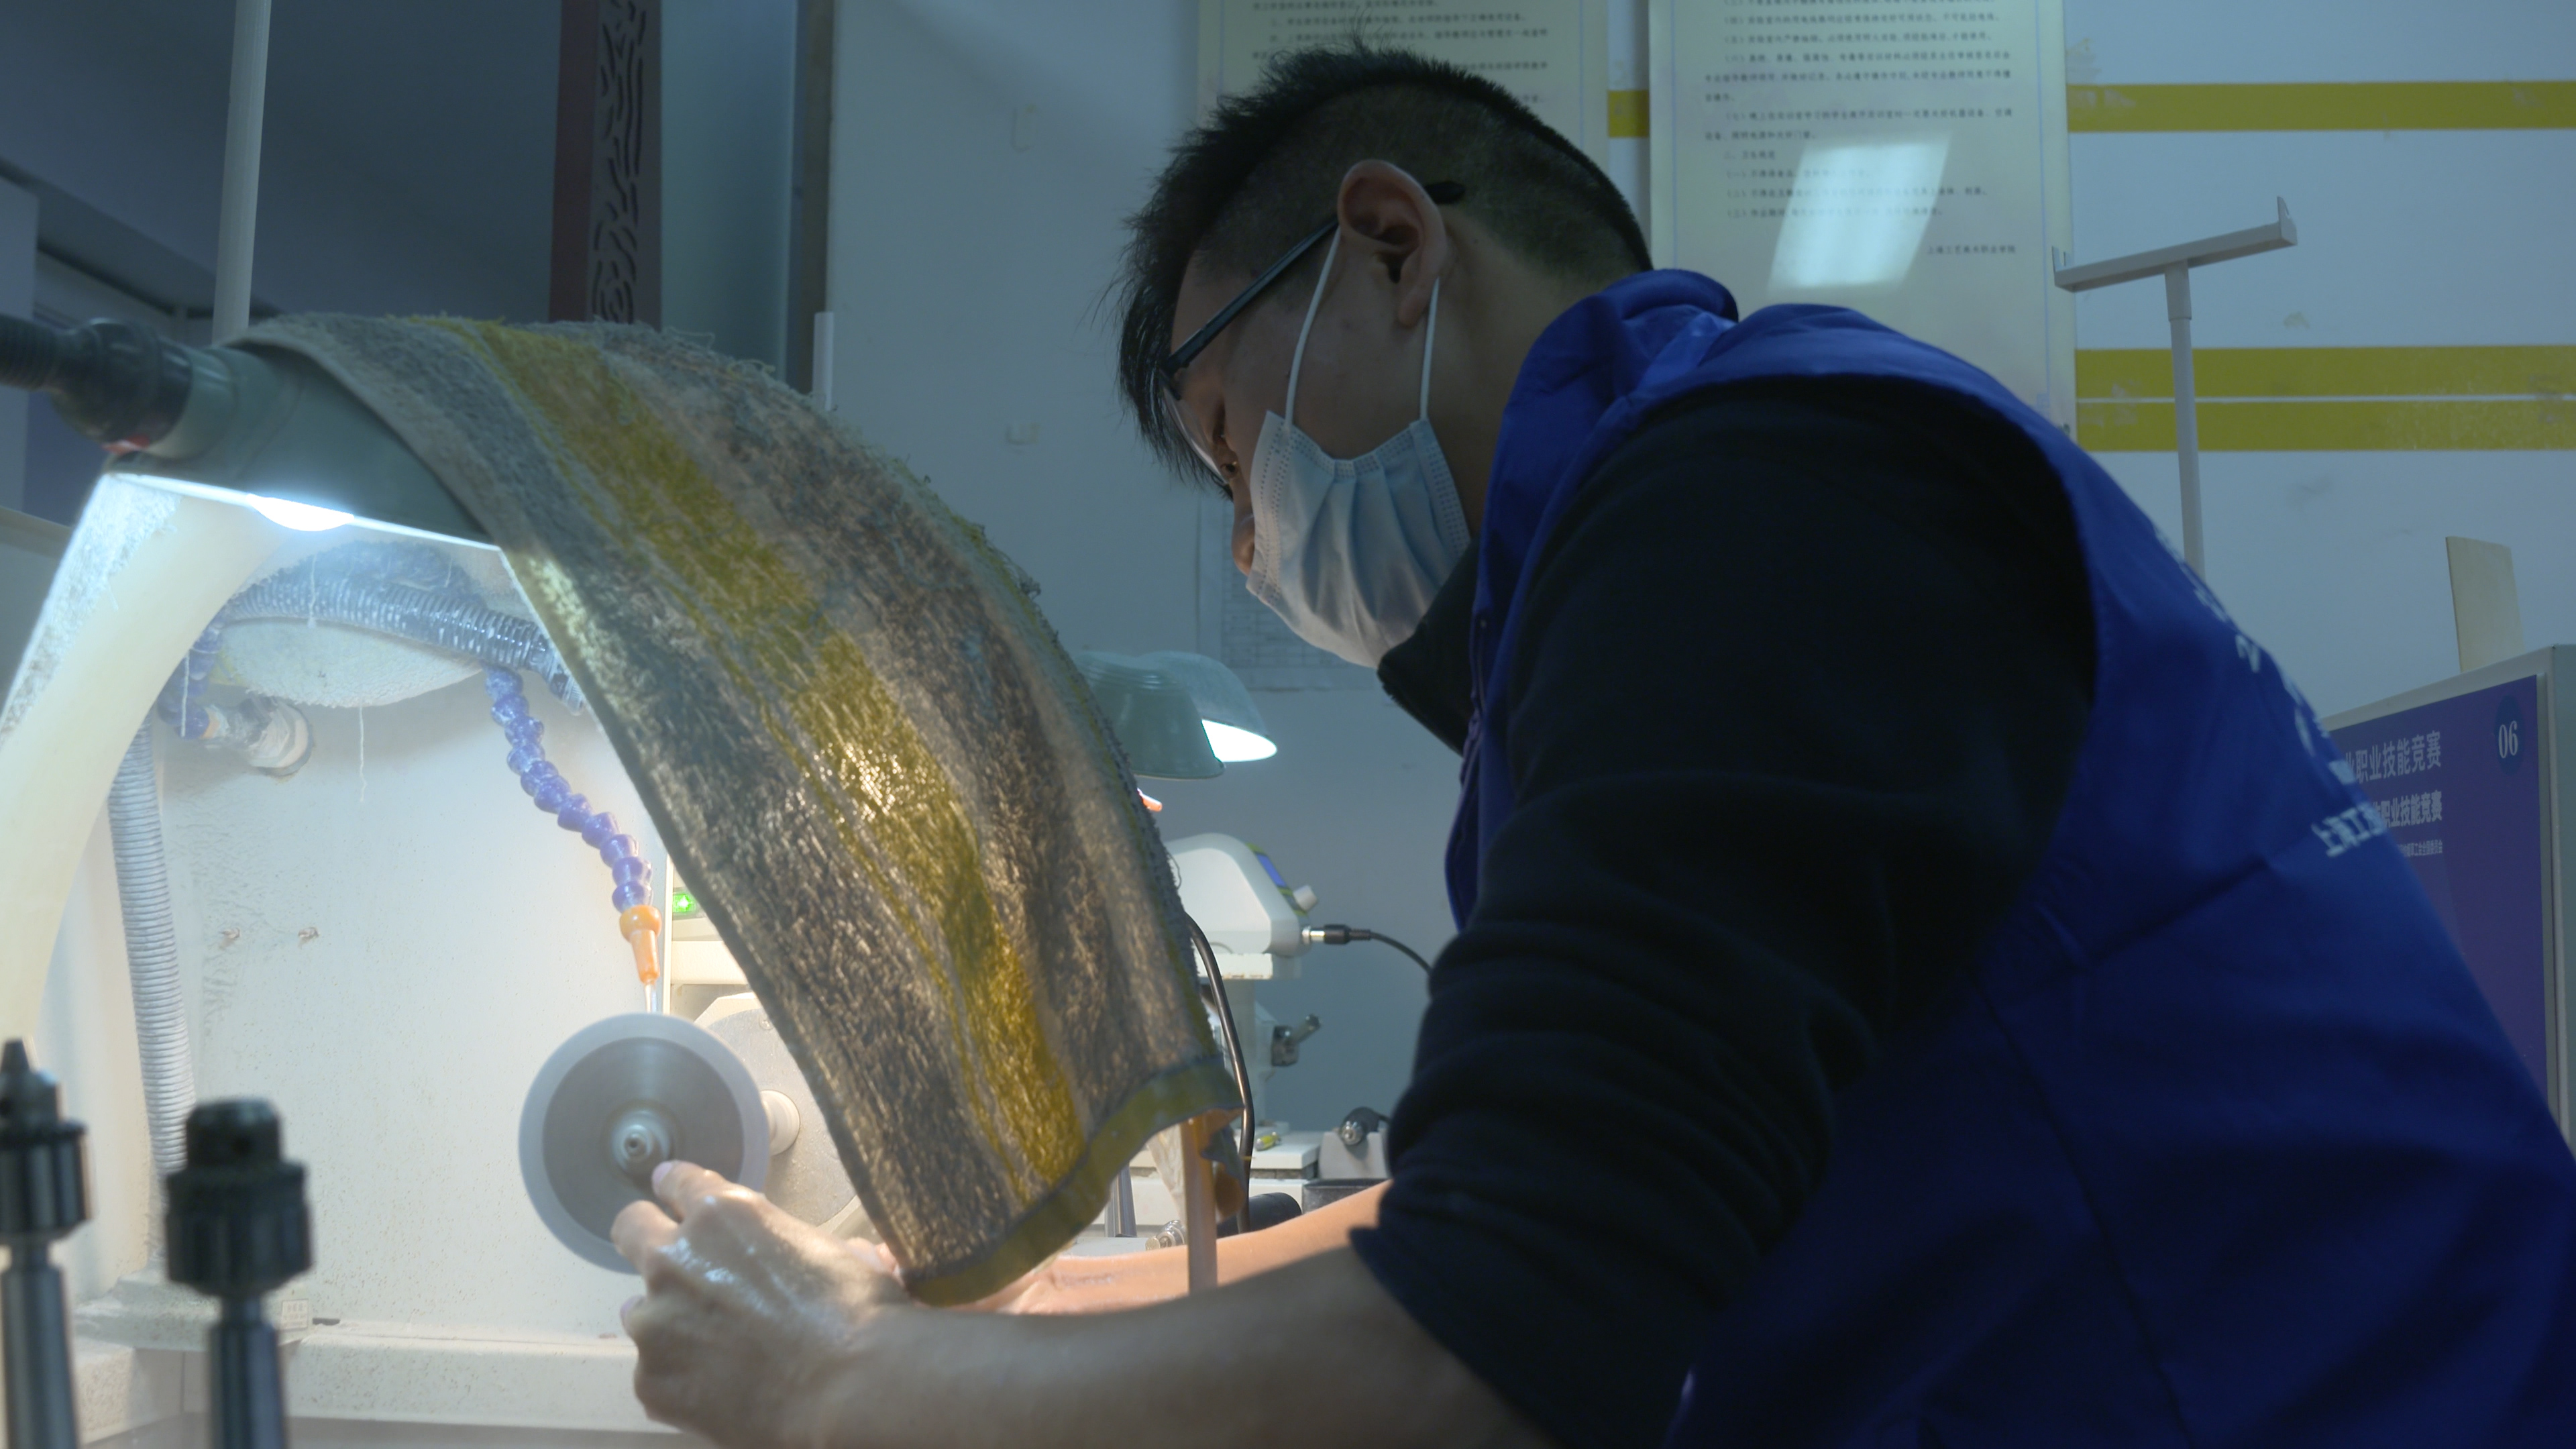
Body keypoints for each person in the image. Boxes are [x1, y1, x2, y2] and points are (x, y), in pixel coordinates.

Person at [611, 44, 2576, 1449]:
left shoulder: (1757, 503)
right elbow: (1546, 1185)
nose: (1254, 546)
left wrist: (845, 1385)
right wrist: (1040, 1297)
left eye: (1232, 447)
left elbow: (1493, 1347)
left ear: (1394, 247)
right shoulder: (1702, 528)